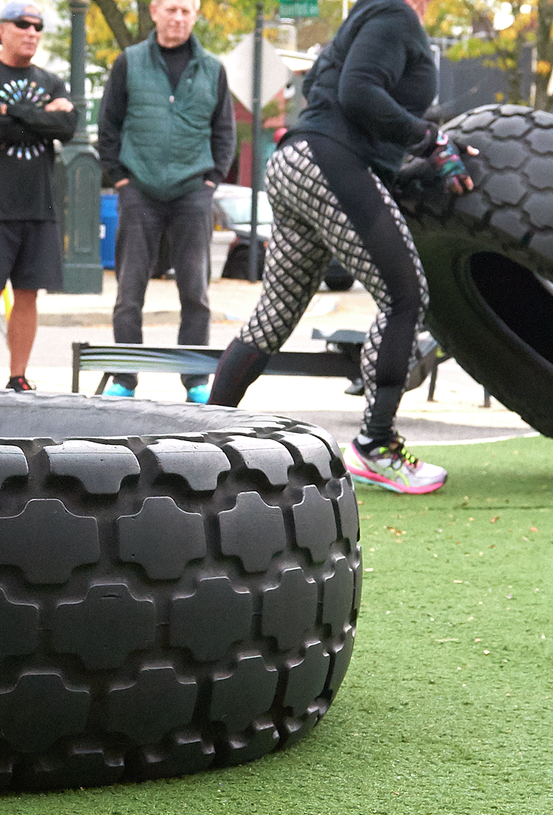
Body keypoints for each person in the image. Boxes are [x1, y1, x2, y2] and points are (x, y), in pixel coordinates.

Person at [204, 0, 471, 495]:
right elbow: (359, 93)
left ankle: (200, 438)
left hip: (296, 164)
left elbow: (337, 97)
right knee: (406, 296)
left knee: (274, 316)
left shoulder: (364, 19)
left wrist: (418, 154)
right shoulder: (396, 15)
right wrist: (428, 139)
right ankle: (376, 445)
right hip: (328, 162)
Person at [95, 0, 235, 403]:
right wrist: (120, 179)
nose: (178, 18)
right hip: (139, 190)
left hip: (193, 193)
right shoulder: (129, 61)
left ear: (195, 16)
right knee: (129, 291)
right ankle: (125, 378)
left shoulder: (212, 69)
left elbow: (223, 133)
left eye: (186, 11)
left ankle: (195, 382)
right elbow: (109, 125)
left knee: (195, 291)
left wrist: (210, 181)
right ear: (155, 12)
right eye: (170, 9)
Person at [0, 1, 76, 392]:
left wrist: (15, 111)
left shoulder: (51, 79)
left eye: (38, 26)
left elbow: (68, 126)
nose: (31, 32)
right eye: (23, 24)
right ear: (2, 29)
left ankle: (18, 376)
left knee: (28, 295)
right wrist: (42, 115)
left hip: (39, 206)